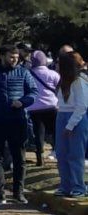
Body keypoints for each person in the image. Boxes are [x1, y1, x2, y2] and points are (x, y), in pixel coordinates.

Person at [0, 44, 38, 205]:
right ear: (2, 56)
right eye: (11, 57)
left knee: (19, 158)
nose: (14, 60)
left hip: (17, 121)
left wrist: (22, 102)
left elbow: (33, 92)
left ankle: (18, 193)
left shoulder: (24, 73)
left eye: (16, 58)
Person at [53, 52, 87, 197]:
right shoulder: (62, 81)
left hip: (76, 119)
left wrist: (70, 125)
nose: (56, 66)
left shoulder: (79, 81)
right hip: (62, 116)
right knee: (61, 154)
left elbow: (82, 106)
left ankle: (79, 187)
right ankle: (65, 186)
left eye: (59, 63)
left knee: (75, 155)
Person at [27, 50, 61, 167]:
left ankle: (39, 156)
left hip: (34, 108)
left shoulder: (28, 74)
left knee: (38, 132)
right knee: (56, 131)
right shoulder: (52, 74)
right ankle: (57, 153)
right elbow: (59, 88)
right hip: (51, 106)